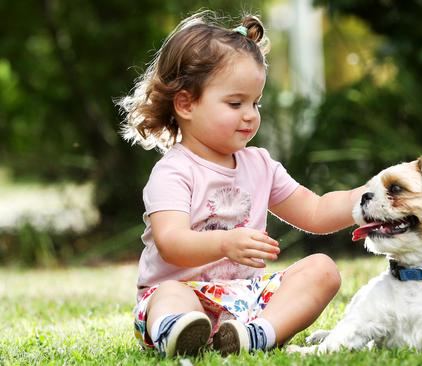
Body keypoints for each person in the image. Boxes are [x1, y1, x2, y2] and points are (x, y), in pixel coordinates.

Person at [116, 10, 365, 358]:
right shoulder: (174, 171)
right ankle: (180, 329)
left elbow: (316, 211)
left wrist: (366, 199)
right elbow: (171, 242)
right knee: (171, 295)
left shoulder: (259, 164)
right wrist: (225, 243)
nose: (250, 115)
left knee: (322, 270)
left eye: (255, 102)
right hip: (183, 292)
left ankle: (257, 335)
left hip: (243, 299)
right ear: (186, 103)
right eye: (235, 103)